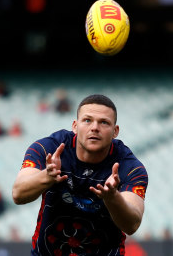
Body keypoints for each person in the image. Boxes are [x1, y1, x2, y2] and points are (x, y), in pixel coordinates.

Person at [12, 94, 148, 256]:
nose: (95, 127)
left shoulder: (130, 167)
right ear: (75, 126)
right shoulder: (48, 148)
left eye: (104, 122)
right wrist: (47, 177)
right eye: (87, 120)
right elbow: (18, 194)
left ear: (115, 131)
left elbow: (132, 225)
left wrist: (113, 198)